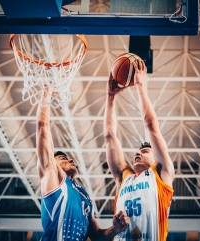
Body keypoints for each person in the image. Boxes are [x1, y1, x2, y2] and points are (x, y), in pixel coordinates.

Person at [36, 86, 130, 241]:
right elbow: (42, 128)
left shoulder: (85, 197)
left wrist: (115, 229)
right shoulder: (52, 174)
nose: (71, 160)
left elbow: (96, 236)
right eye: (63, 158)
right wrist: (46, 94)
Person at [103, 59, 175, 241]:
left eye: (144, 151)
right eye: (138, 151)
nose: (138, 153)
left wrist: (140, 85)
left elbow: (151, 126)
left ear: (156, 158)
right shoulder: (124, 177)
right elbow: (109, 136)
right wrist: (110, 97)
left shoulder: (161, 174)